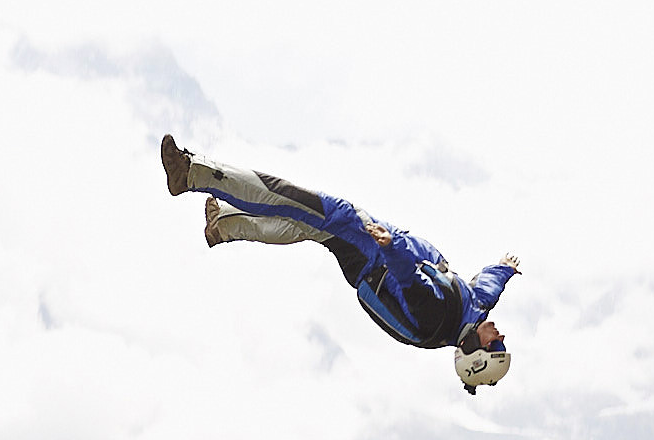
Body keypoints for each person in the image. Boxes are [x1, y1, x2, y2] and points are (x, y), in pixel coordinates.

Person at [160, 134, 517, 392]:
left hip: (371, 254)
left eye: (495, 345)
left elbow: (407, 277)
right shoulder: (471, 311)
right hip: (375, 249)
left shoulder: (436, 319)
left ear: (474, 352)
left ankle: (192, 173)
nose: (499, 335)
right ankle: (224, 224)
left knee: (296, 201)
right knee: (306, 223)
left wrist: (390, 246)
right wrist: (505, 268)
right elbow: (486, 288)